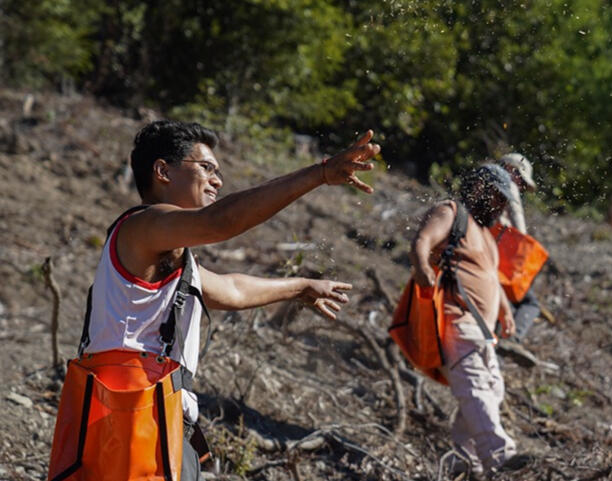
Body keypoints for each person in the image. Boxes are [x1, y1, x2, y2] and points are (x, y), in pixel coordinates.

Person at [67, 120, 380, 479]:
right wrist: (320, 173)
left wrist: (301, 287)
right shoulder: (143, 226)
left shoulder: (169, 252)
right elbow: (221, 222)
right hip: (128, 423)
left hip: (155, 421)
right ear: (163, 171)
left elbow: (232, 290)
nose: (217, 180)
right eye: (206, 168)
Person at [409, 164, 530, 477]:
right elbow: (422, 239)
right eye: (498, 198)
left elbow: (490, 277)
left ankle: (463, 461)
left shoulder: (486, 236)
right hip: (456, 319)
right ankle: (500, 457)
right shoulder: (451, 212)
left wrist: (504, 310)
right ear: (479, 189)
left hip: (482, 331)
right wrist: (422, 265)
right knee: (476, 389)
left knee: (493, 391)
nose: (501, 207)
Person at [496, 152, 541, 341]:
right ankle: (512, 340)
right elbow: (518, 224)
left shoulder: (481, 181)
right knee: (530, 303)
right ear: (511, 169)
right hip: (499, 254)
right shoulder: (508, 185)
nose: (521, 186)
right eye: (521, 180)